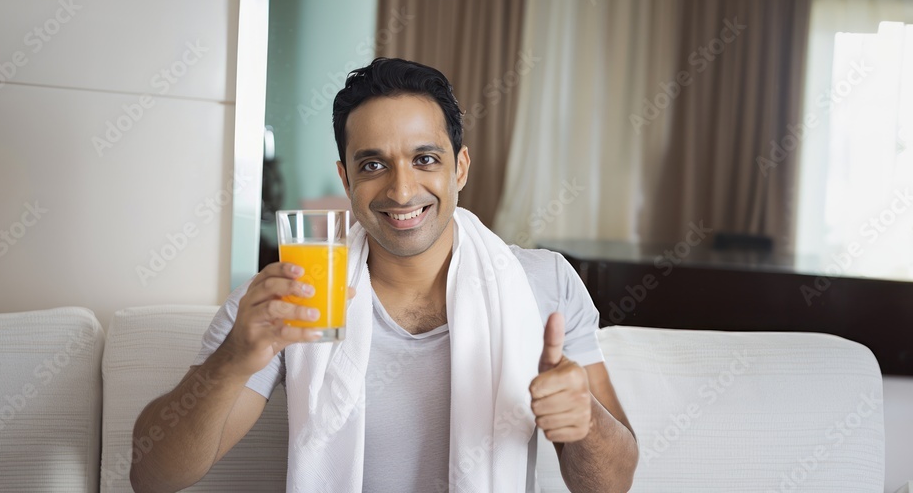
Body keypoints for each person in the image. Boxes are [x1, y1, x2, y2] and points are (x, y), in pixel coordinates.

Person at [130, 57, 638, 492]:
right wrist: (232, 361)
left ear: (459, 168)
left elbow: (613, 484)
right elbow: (152, 476)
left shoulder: (543, 284)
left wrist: (585, 420)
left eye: (425, 159)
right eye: (373, 165)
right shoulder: (293, 295)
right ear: (346, 179)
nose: (401, 190)